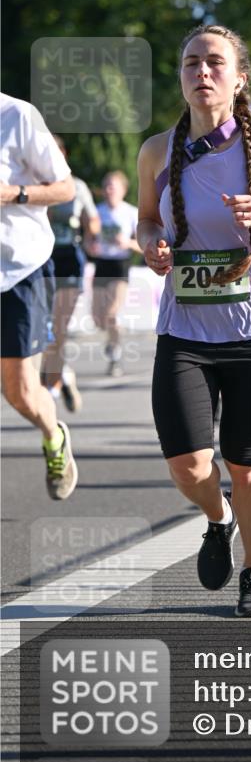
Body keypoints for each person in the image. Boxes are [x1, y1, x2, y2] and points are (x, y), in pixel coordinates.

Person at [137, 24, 251, 618]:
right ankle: (217, 520)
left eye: (215, 63)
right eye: (191, 63)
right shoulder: (157, 151)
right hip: (184, 331)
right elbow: (145, 221)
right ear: (182, 76)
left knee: (246, 463)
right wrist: (151, 245)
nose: (202, 72)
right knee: (189, 465)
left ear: (238, 78)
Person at [0, 92, 78, 499]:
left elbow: (65, 188)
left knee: (20, 391)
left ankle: (53, 436)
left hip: (18, 269)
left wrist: (12, 193)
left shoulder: (16, 115)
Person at [42, 137, 101, 409]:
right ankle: (63, 374)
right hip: (40, 260)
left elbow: (92, 219)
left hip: (68, 259)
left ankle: (53, 383)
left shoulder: (77, 187)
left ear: (64, 156)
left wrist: (93, 235)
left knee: (58, 325)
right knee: (41, 327)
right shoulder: (33, 186)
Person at [88, 170, 141, 377]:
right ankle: (114, 337)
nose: (109, 190)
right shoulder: (96, 212)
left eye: (113, 186)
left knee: (111, 314)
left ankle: (115, 354)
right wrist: (90, 246)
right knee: (97, 319)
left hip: (120, 265)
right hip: (102, 264)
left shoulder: (130, 213)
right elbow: (87, 240)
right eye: (106, 186)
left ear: (123, 190)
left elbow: (144, 245)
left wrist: (127, 242)